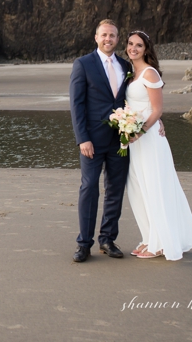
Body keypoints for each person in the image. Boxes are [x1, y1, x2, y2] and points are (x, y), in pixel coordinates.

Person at [122, 30, 192, 260]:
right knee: (139, 188)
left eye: (139, 45)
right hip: (134, 139)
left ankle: (160, 243)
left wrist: (141, 131)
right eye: (130, 44)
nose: (133, 48)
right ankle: (148, 237)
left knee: (154, 187)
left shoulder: (150, 73)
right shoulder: (131, 73)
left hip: (149, 140)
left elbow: (157, 109)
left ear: (147, 49)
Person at [69, 19, 132, 262]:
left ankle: (107, 239)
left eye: (113, 36)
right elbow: (76, 105)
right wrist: (82, 138)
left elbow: (133, 100)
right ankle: (84, 243)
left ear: (118, 39)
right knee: (89, 188)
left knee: (115, 190)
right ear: (96, 37)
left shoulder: (125, 65)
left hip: (120, 140)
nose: (108, 39)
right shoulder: (83, 64)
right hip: (92, 141)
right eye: (104, 35)